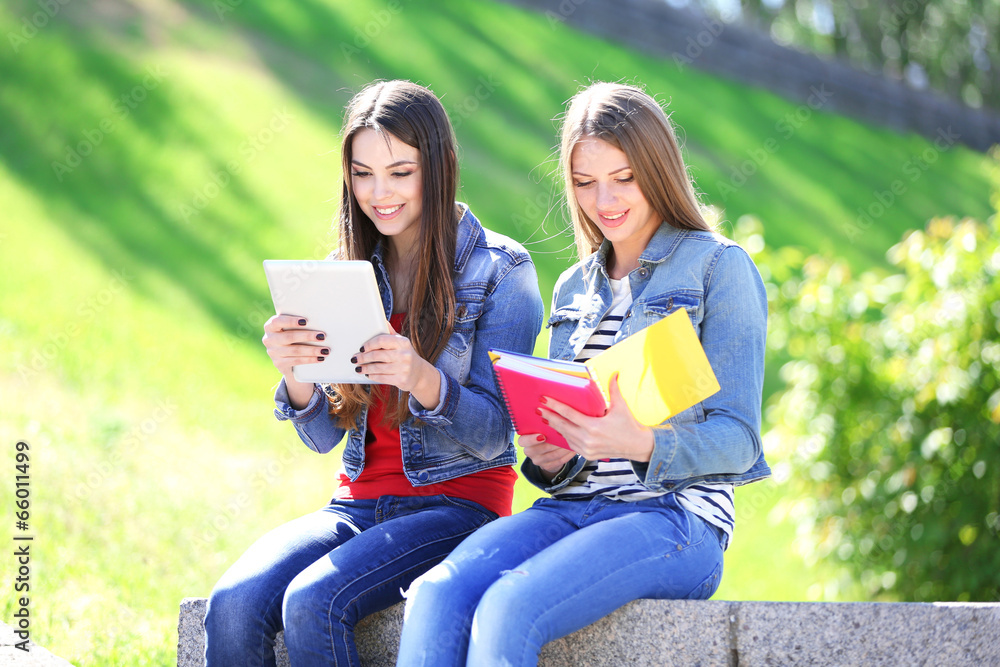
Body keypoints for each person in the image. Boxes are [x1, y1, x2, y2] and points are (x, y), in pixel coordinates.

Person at [396, 81, 772, 666]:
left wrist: (640, 442)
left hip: (674, 518)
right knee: (437, 593)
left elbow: (740, 439)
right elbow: (568, 438)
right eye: (585, 182)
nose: (605, 200)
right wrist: (551, 454)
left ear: (658, 171)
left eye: (624, 178)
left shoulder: (719, 267)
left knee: (509, 606)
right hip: (571, 508)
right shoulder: (575, 286)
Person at [204, 80, 544, 667]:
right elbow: (322, 438)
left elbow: (497, 435)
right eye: (362, 174)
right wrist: (297, 375)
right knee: (232, 604)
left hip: (458, 507)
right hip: (355, 505)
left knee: (313, 601)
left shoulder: (502, 270)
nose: (379, 193)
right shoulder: (345, 270)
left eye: (400, 173)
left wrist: (421, 378)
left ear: (438, 166)